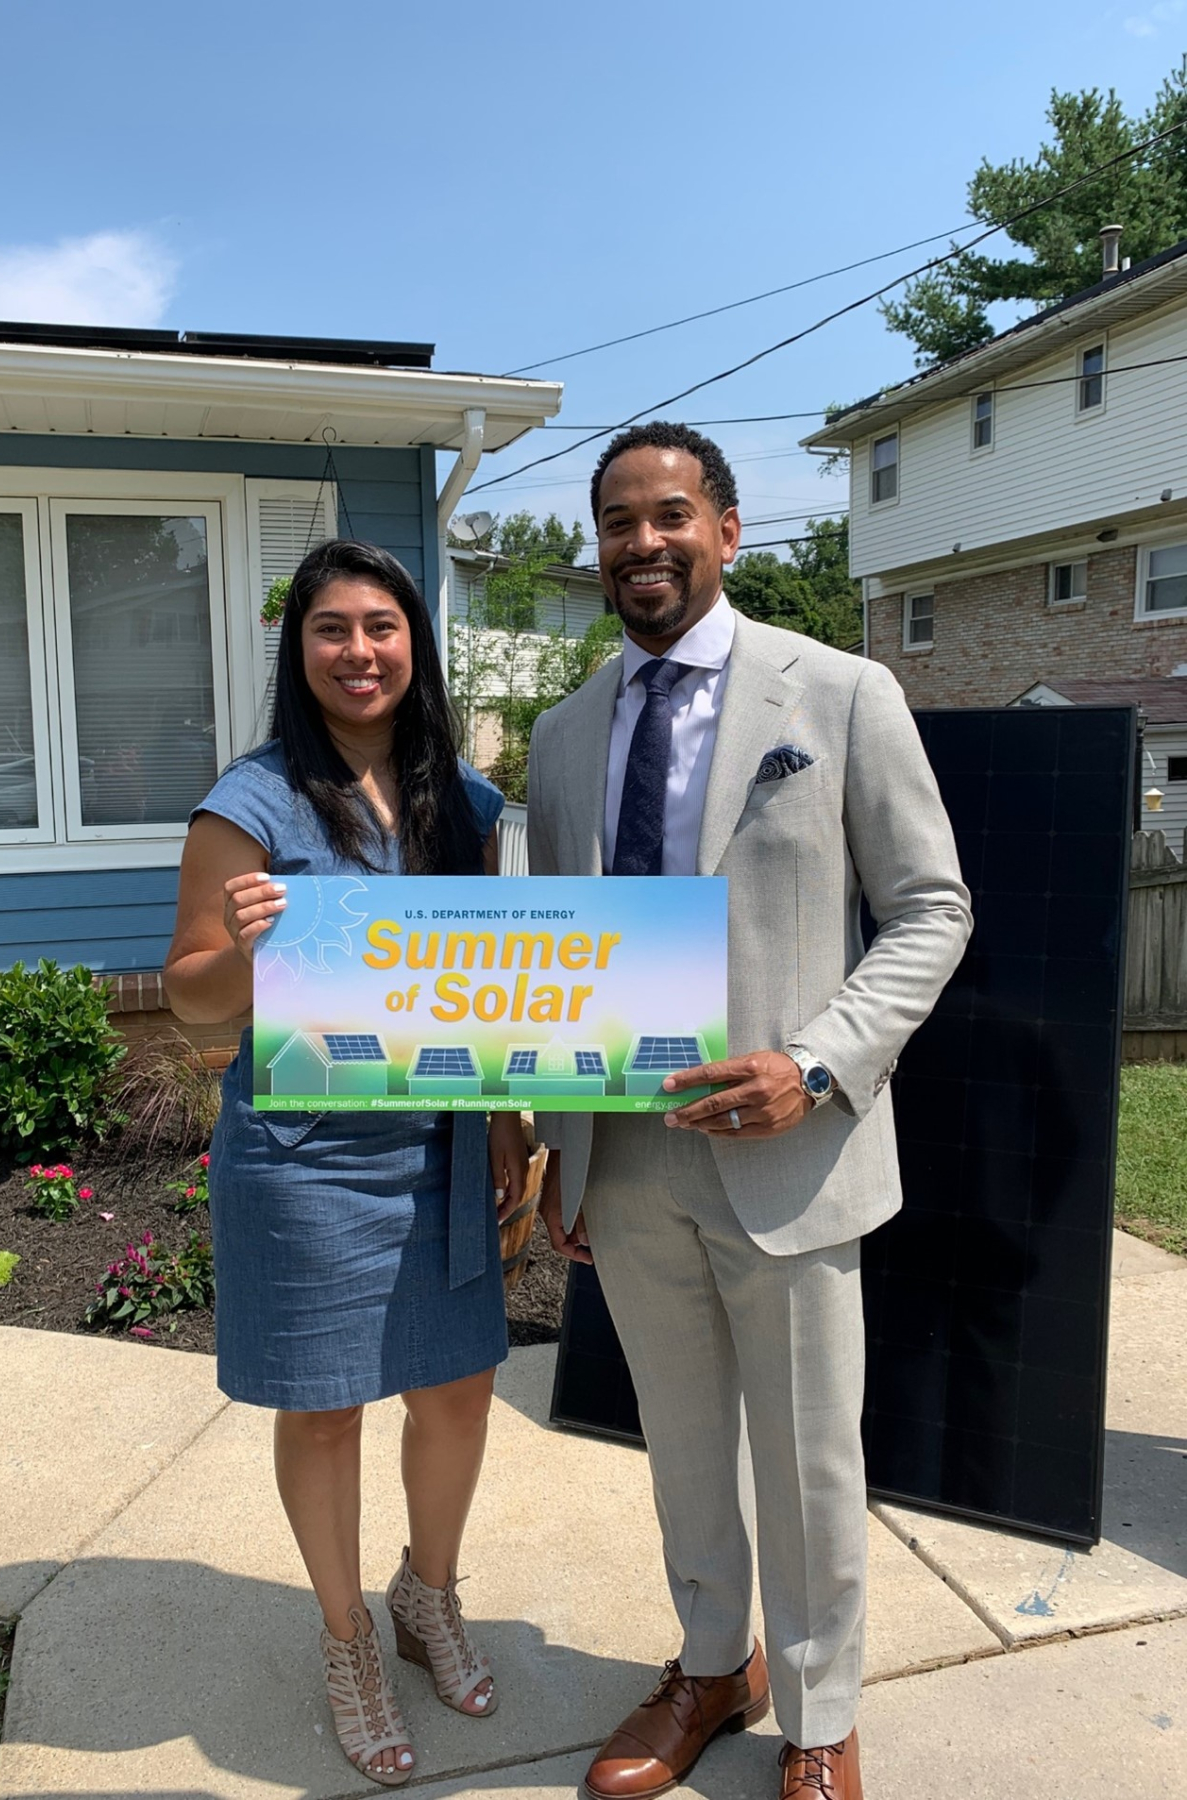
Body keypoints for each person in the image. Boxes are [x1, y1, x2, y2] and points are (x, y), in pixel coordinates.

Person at [527, 424, 971, 1800]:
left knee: (804, 1455)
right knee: (677, 1444)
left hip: (791, 1151)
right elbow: (555, 951)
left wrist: (819, 1062)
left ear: (725, 530)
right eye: (614, 522)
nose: (639, 544)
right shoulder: (560, 733)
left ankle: (820, 1713)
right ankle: (713, 1662)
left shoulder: (837, 694)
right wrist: (556, 1151)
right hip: (628, 1155)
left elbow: (929, 910)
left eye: (667, 515)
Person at [164, 538, 528, 1788]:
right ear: (299, 648)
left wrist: (507, 1121)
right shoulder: (249, 803)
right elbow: (189, 1003)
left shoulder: (464, 800)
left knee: (460, 1391)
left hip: (438, 1138)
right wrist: (257, 952)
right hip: (308, 1157)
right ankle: (346, 1640)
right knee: (324, 1411)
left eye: (382, 625)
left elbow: (497, 985)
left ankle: (428, 1594)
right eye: (332, 628)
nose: (359, 650)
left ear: (414, 642)